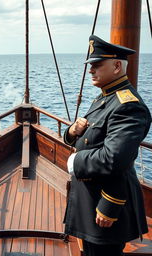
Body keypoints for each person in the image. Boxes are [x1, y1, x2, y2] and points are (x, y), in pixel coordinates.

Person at [63, 35, 151, 256]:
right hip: (91, 197)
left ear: (117, 66)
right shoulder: (104, 98)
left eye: (97, 65)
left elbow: (115, 159)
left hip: (104, 202)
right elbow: (91, 138)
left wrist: (75, 161)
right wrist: (72, 132)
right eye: (91, 65)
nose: (91, 70)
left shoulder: (128, 106)